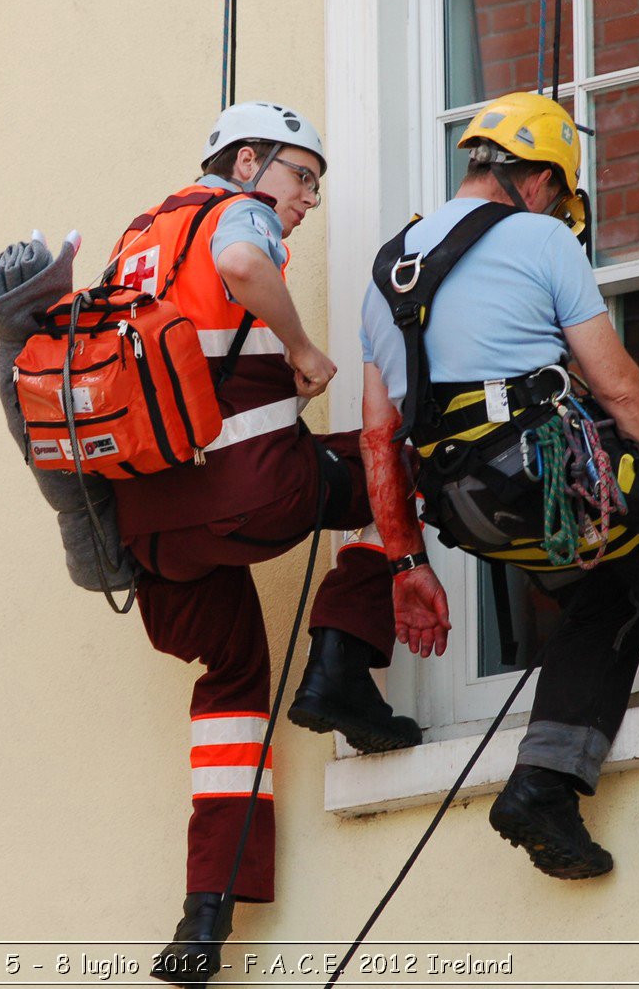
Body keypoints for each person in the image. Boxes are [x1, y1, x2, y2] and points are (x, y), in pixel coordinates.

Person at [358, 92, 639, 889]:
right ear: (537, 179)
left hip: (466, 508)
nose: (562, 209)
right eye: (560, 193)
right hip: (547, 476)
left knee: (604, 601)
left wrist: (405, 564)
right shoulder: (539, 239)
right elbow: (620, 386)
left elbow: (376, 438)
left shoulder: (387, 273)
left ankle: (544, 787)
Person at [105, 101, 422, 987]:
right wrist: (302, 347)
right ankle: (341, 664)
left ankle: (204, 916)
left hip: (154, 535)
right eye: (300, 175)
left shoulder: (139, 236)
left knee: (234, 683)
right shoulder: (232, 214)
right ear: (246, 162)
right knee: (392, 469)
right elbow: (244, 262)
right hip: (252, 490)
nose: (308, 198)